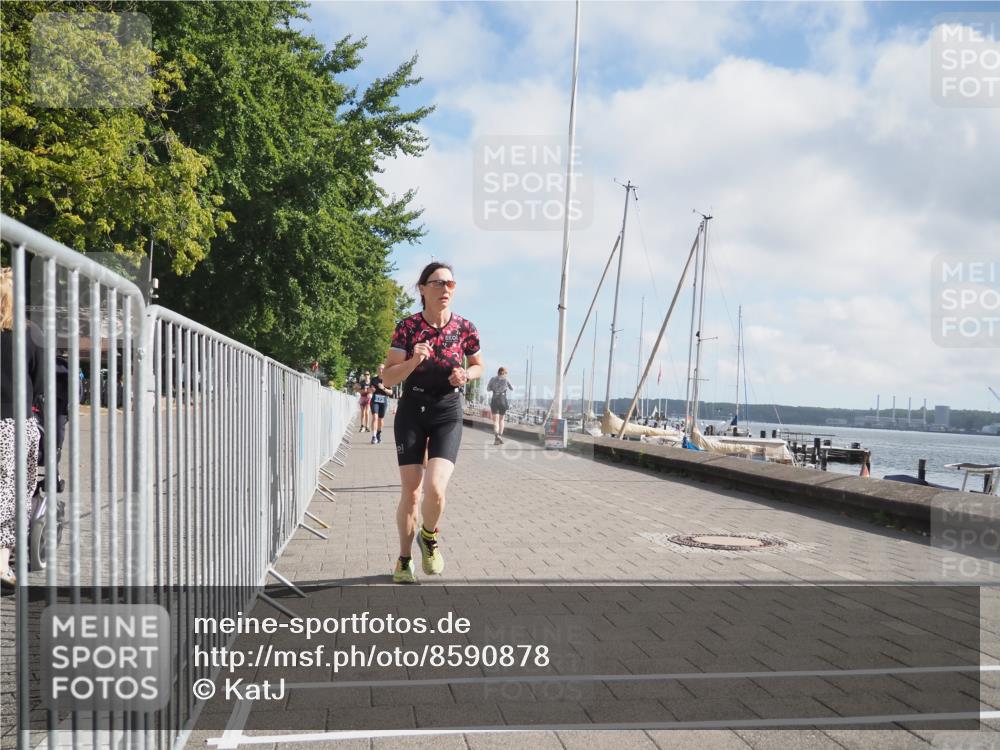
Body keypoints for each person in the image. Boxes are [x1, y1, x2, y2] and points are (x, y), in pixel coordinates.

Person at [380, 261, 482, 584]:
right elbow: (387, 377)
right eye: (438, 283)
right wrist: (413, 361)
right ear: (422, 289)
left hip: (447, 411)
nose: (445, 289)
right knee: (411, 493)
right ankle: (404, 559)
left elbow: (479, 364)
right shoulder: (408, 328)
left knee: (436, 489)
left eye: (450, 284)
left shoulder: (465, 327)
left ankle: (429, 536)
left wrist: (467, 374)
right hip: (412, 408)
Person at [0, 268, 41, 590]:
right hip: (16, 423)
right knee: (14, 494)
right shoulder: (29, 334)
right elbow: (41, 384)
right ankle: (3, 561)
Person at [486, 367, 513, 445]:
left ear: (498, 372)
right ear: (504, 373)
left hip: (494, 399)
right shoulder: (506, 379)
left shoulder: (492, 379)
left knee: (495, 421)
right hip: (503, 400)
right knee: (501, 420)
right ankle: (500, 436)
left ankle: (496, 437)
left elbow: (488, 389)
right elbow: (512, 388)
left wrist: (493, 388)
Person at [368, 363, 392, 444]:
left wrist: (383, 388)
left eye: (382, 368)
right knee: (375, 417)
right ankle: (374, 436)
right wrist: (371, 390)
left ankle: (378, 435)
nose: (380, 370)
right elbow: (370, 389)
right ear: (377, 370)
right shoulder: (374, 379)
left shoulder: (388, 379)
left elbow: (391, 392)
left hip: (383, 400)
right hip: (375, 400)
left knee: (380, 419)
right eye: (379, 369)